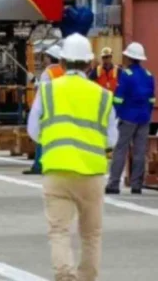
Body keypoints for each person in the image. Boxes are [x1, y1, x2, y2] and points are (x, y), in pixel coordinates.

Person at [27, 33, 117, 281]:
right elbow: (112, 139)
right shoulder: (102, 95)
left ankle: (65, 276)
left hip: (57, 170)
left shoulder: (47, 91)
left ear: (62, 63)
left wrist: (56, 141)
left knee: (59, 230)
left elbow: (34, 131)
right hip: (92, 173)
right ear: (90, 64)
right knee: (91, 234)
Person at [105, 42, 155, 195]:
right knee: (140, 152)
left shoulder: (126, 75)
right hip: (144, 118)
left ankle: (113, 184)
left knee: (121, 150)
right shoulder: (149, 76)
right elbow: (151, 100)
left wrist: (115, 114)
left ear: (129, 58)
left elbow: (119, 98)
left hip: (127, 117)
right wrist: (146, 114)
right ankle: (137, 185)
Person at [25, 44, 65, 175]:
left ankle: (38, 165)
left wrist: (37, 110)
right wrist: (35, 80)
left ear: (50, 58)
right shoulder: (63, 71)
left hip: (48, 109)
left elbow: (42, 92)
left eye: (46, 56)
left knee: (41, 137)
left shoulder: (47, 72)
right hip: (60, 108)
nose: (44, 59)